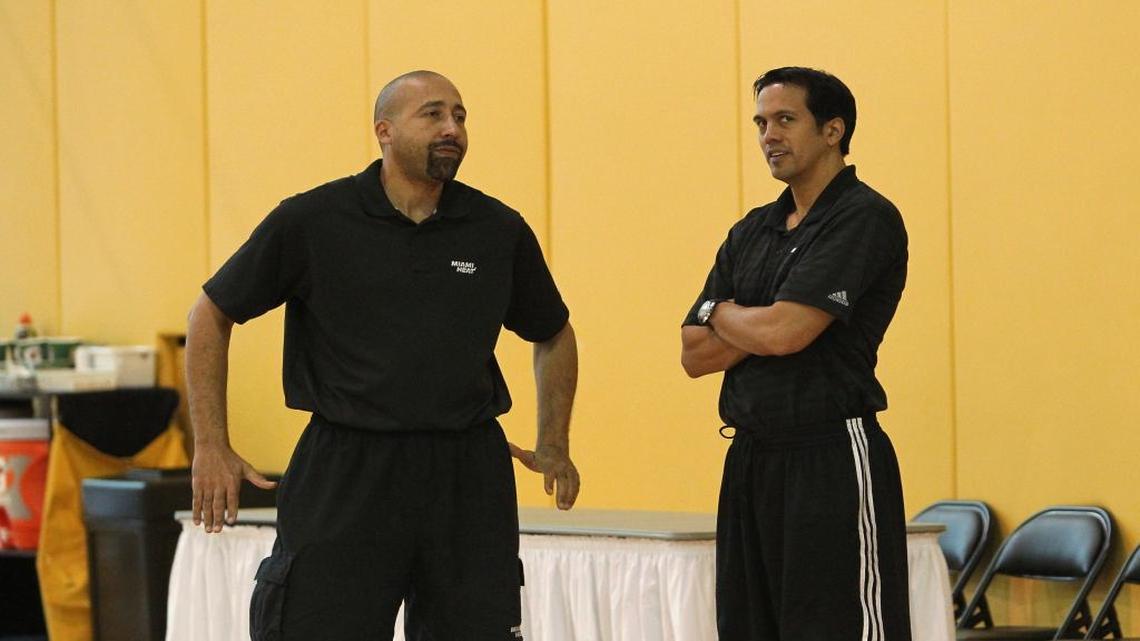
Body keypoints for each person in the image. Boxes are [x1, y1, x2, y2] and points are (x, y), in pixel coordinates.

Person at [185, 69, 580, 641]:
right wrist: (211, 445)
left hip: (466, 473)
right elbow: (210, 314)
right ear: (384, 131)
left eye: (461, 116)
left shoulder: (497, 229)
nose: (453, 129)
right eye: (434, 114)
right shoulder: (313, 220)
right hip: (346, 466)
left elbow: (554, 333)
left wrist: (554, 442)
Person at [681, 67, 911, 641]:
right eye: (761, 122)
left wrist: (722, 311)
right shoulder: (751, 230)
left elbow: (787, 333)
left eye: (785, 120)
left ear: (832, 130)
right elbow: (692, 353)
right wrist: (750, 320)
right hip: (751, 457)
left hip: (831, 455)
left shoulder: (863, 216)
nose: (768, 135)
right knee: (751, 626)